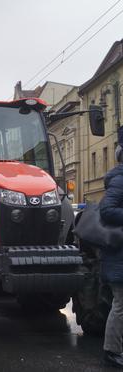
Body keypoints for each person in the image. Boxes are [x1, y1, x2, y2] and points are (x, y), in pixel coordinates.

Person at [99, 137, 123, 368]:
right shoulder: (120, 181)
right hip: (119, 257)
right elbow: (107, 210)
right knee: (121, 305)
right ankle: (112, 350)